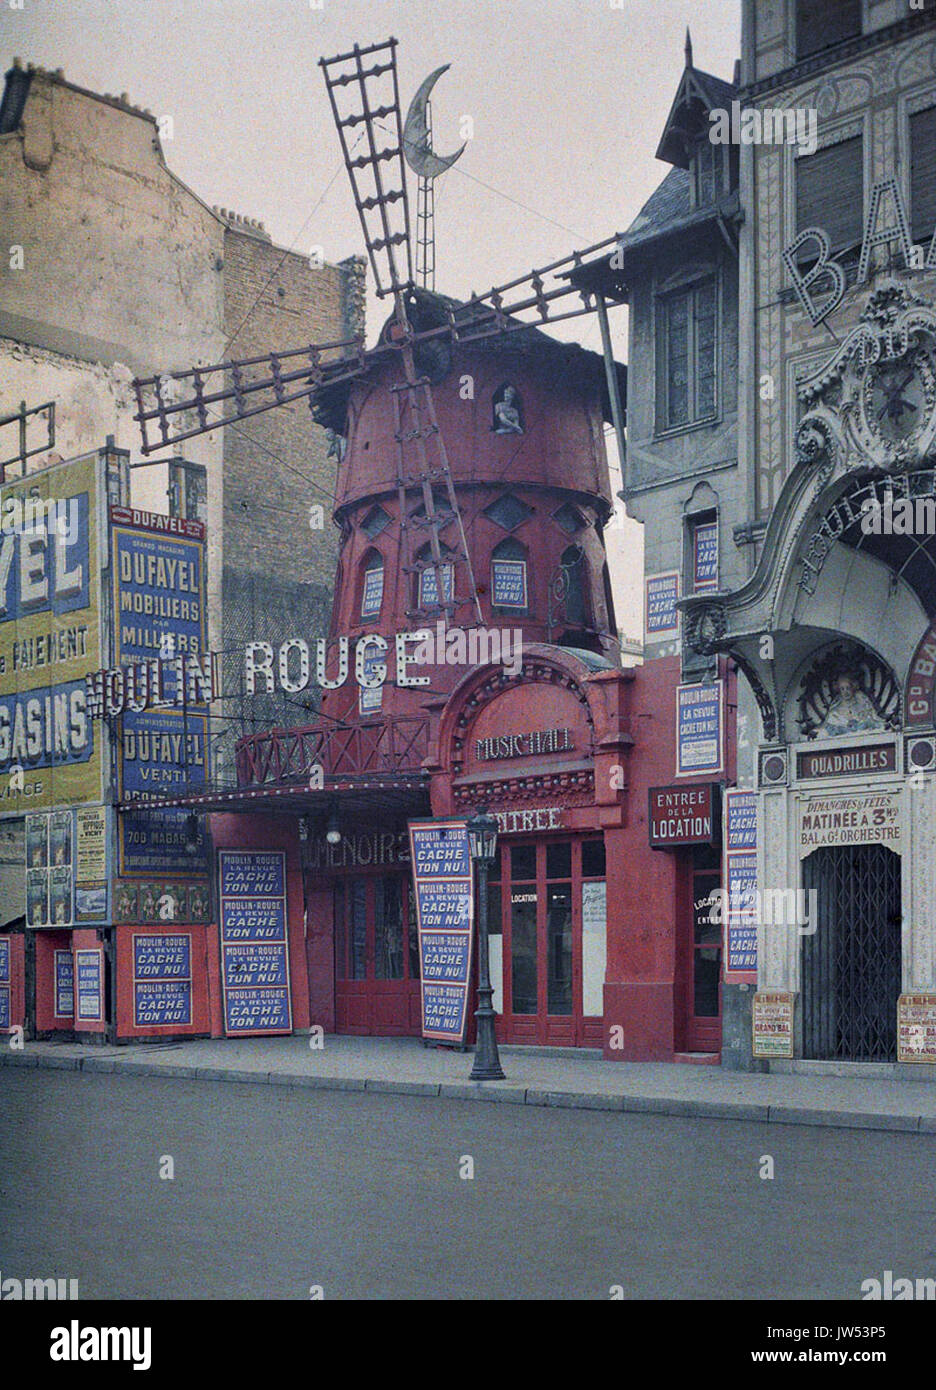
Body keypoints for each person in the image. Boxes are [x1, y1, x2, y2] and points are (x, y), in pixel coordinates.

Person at [818, 673, 882, 737]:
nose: (845, 692)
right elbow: (828, 727)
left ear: (853, 688)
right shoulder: (834, 711)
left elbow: (873, 720)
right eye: (842, 689)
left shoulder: (863, 703)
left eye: (848, 688)